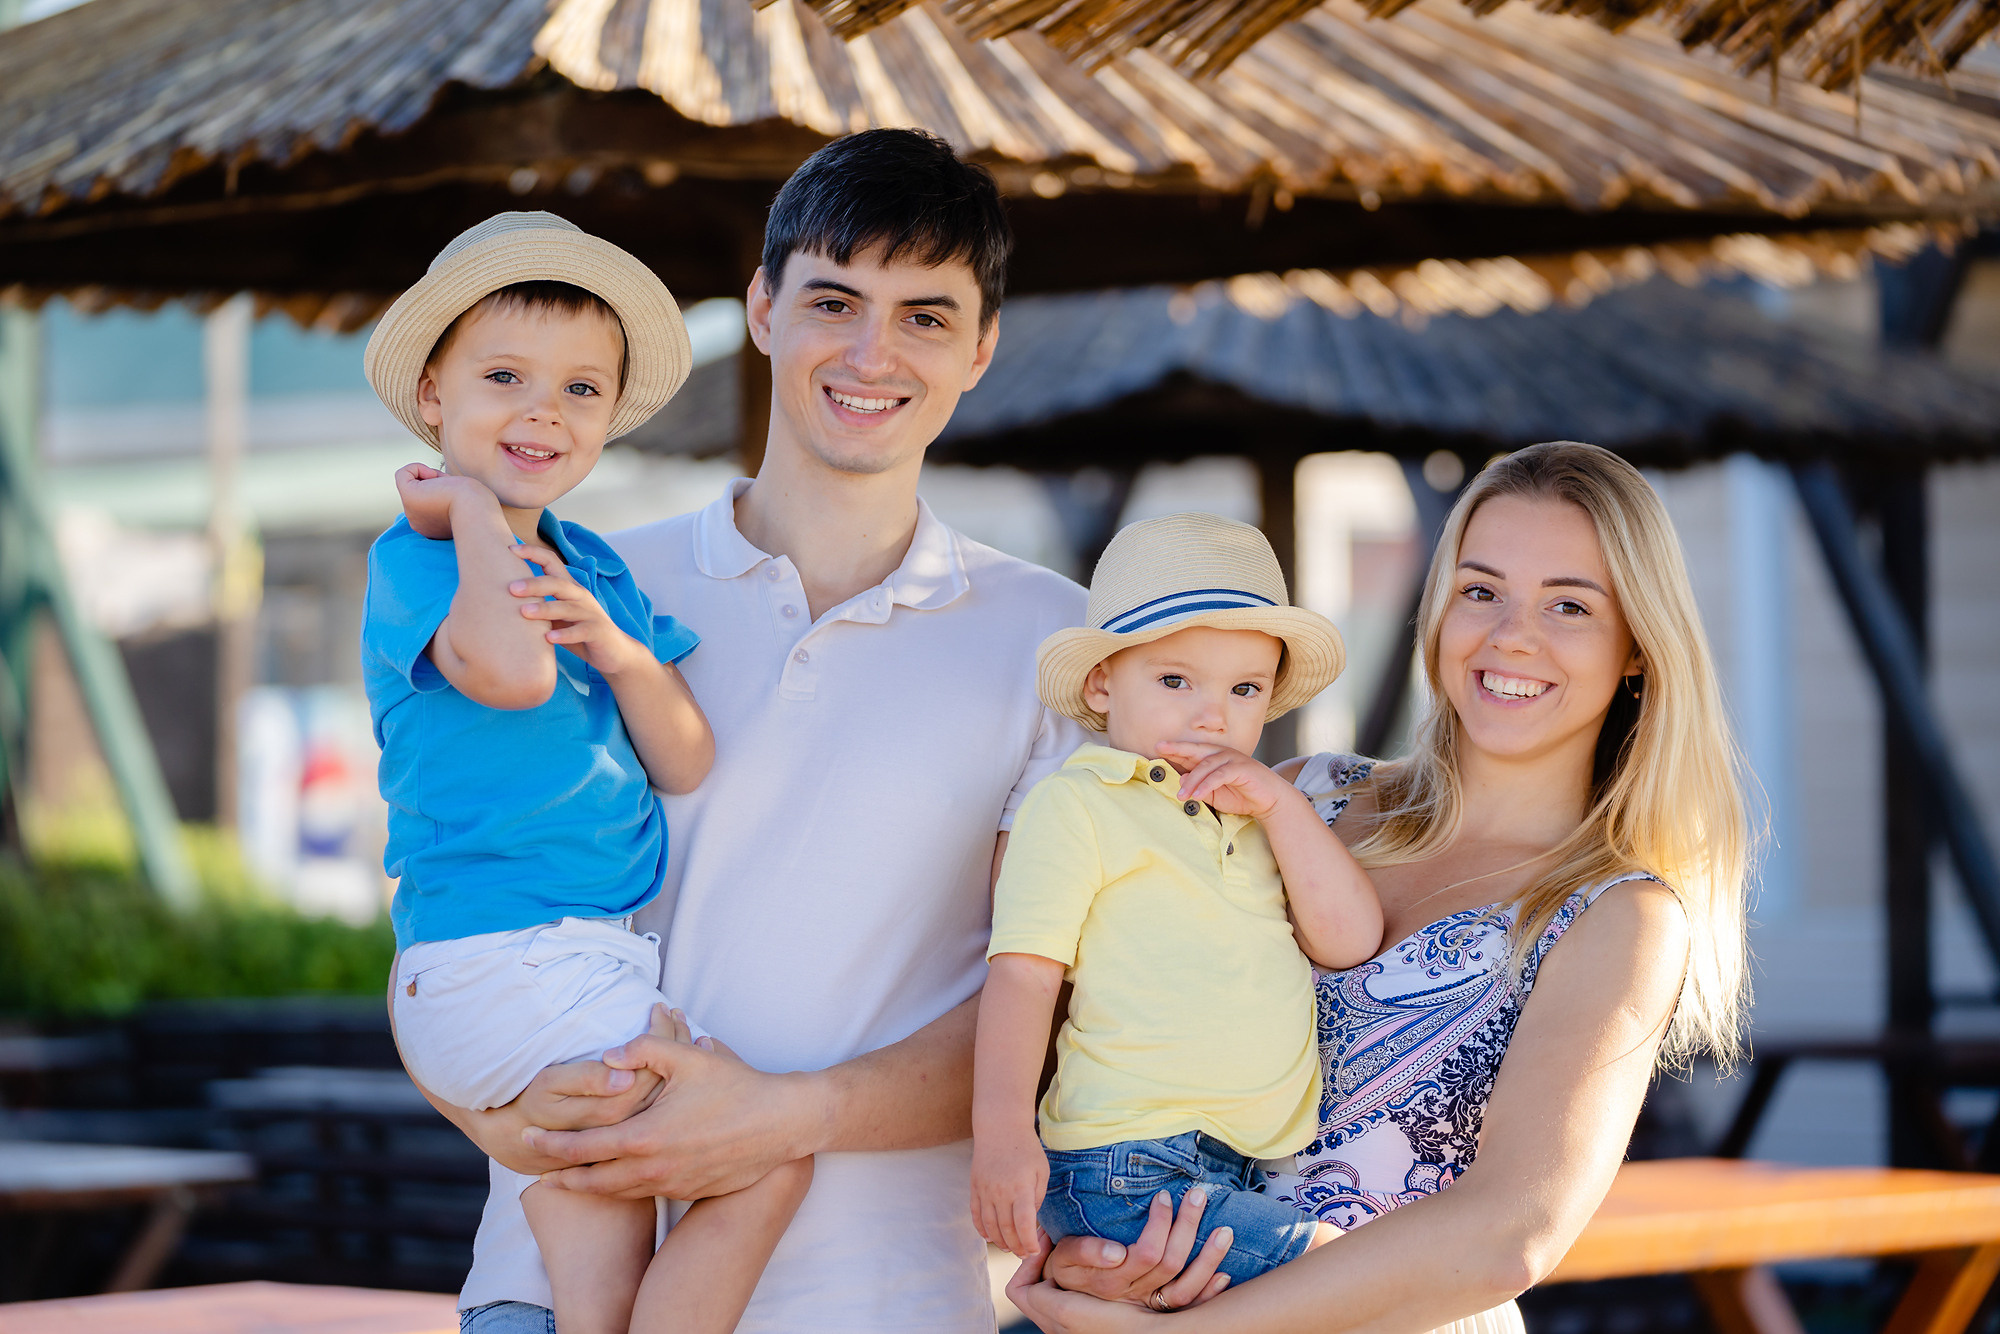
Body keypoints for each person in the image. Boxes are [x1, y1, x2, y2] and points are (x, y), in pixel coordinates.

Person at [411, 130, 1093, 1332]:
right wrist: (479, 1107)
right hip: (553, 1281)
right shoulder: (585, 580)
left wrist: (794, 1114)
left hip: (878, 1299)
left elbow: (1059, 1003)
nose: (871, 353)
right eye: (833, 300)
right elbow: (456, 885)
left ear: (981, 347)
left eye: (924, 317)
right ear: (762, 308)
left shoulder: (1060, 647)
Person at [1008, 440, 1750, 1332]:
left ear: (1638, 648)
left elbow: (1507, 1235)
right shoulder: (1305, 796)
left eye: (1570, 606)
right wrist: (1088, 1251)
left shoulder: (1618, 914)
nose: (1512, 635)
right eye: (1481, 591)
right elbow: (1083, 1027)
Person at [362, 212, 812, 1334]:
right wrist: (471, 511)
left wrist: (616, 647)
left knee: (645, 1185)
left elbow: (685, 754)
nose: (541, 410)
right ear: (433, 394)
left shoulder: (597, 566)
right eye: (504, 375)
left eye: (579, 389)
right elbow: (510, 677)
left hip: (566, 960)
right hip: (504, 957)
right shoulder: (417, 555)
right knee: (759, 1155)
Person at [973, 512, 1383, 1290]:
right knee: (1357, 1277)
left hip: (1235, 1168)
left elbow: (1349, 940)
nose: (1211, 714)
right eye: (1174, 681)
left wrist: (1282, 808)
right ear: (1102, 682)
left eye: (1244, 689)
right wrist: (1001, 1137)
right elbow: (1023, 976)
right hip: (1124, 1166)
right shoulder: (1077, 806)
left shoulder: (1259, 816)